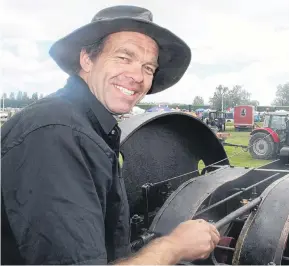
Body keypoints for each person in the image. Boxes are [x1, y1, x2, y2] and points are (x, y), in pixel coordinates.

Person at [1, 5, 220, 265]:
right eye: (124, 57)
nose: (137, 76)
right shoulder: (55, 134)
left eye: (148, 68)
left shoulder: (86, 127)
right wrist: (173, 246)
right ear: (87, 59)